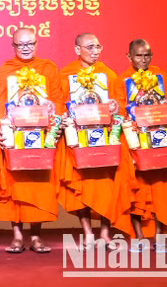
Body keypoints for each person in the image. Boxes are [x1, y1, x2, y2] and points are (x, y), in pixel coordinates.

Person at [0, 28, 64, 254]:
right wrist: (4, 129)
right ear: (13, 46)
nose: (26, 48)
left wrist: (52, 123)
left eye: (30, 44)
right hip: (15, 139)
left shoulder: (48, 68)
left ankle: (36, 236)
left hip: (41, 138)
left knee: (38, 186)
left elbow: (57, 100)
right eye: (21, 44)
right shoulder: (6, 70)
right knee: (15, 186)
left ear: (37, 44)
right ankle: (17, 236)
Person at [56, 33, 133, 243]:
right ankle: (88, 233)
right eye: (89, 47)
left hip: (103, 138)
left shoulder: (108, 75)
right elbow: (60, 103)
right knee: (80, 184)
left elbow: (120, 104)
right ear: (77, 49)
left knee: (106, 185)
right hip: (78, 140)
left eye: (98, 47)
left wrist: (114, 108)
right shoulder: (66, 75)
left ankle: (105, 233)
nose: (95, 51)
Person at [110, 39, 167, 251]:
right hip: (133, 142)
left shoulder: (162, 77)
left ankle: (159, 236)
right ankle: (138, 236)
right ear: (129, 56)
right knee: (135, 189)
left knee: (160, 190)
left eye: (147, 55)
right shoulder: (121, 80)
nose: (143, 60)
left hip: (159, 140)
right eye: (138, 56)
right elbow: (117, 112)